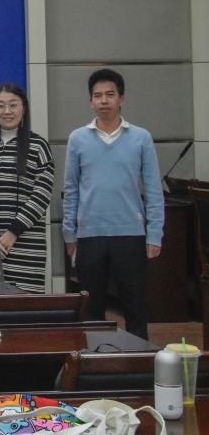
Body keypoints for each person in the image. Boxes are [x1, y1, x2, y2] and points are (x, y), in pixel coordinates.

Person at [63, 69, 164, 339]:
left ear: (122, 99)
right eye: (97, 96)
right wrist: (69, 234)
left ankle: (139, 359)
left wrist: (155, 233)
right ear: (90, 102)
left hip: (130, 234)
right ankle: (97, 359)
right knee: (92, 309)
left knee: (135, 306)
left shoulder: (141, 137)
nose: (104, 100)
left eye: (110, 94)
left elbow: (153, 189)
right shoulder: (77, 138)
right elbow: (71, 189)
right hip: (89, 235)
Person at [0, 83, 55, 293]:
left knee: (25, 304)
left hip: (27, 244)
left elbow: (42, 195)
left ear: (23, 108)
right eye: (0, 105)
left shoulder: (38, 146)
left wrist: (13, 232)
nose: (7, 111)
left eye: (13, 105)